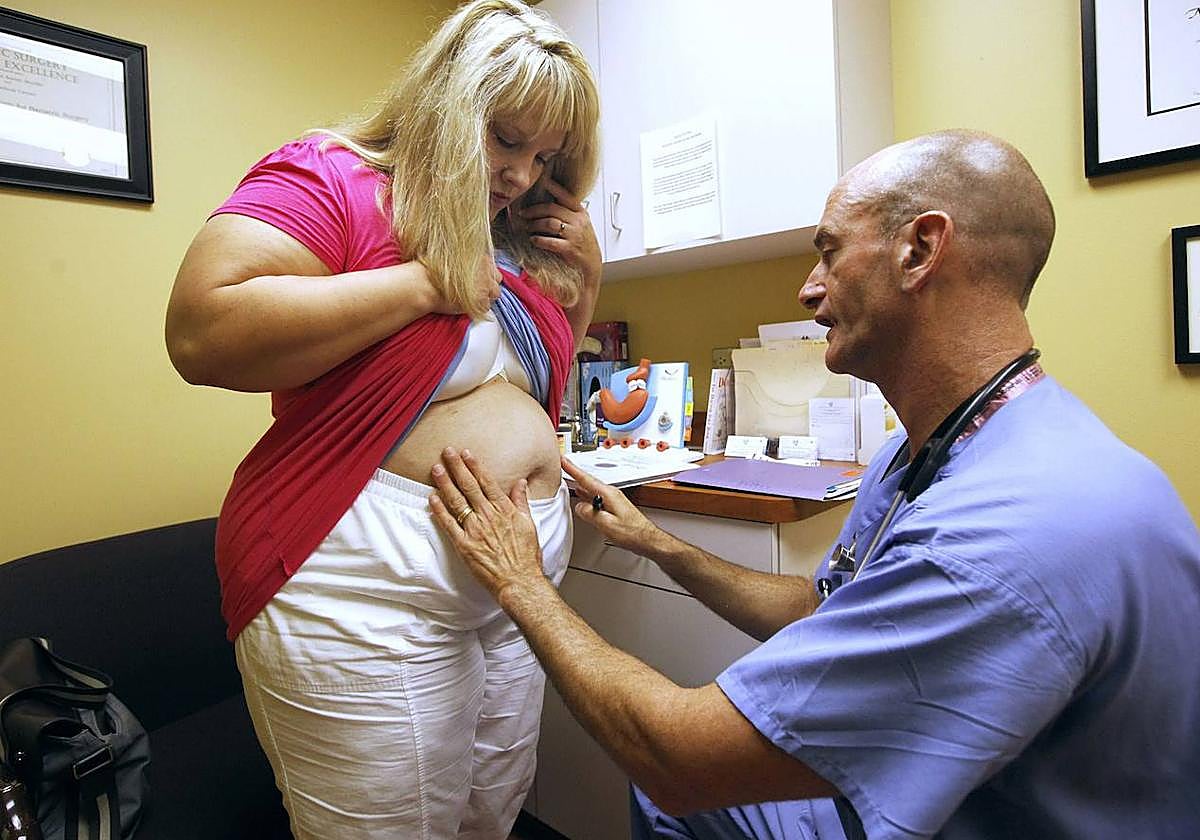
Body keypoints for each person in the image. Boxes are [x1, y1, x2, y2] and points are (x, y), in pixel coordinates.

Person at [427, 129, 1200, 839]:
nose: (807, 289)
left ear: (920, 249)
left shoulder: (1009, 536)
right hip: (976, 785)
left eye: (829, 253)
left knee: (672, 785)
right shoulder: (951, 442)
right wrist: (656, 542)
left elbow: (681, 760)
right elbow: (824, 608)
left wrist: (521, 581)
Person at [164, 1, 600, 837]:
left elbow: (532, 380)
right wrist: (425, 285)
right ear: (450, 99)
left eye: (545, 156)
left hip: (514, 588)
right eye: (507, 138)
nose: (521, 175)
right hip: (362, 588)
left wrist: (585, 273)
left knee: (492, 817)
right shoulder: (337, 177)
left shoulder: (514, 236)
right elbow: (201, 331)